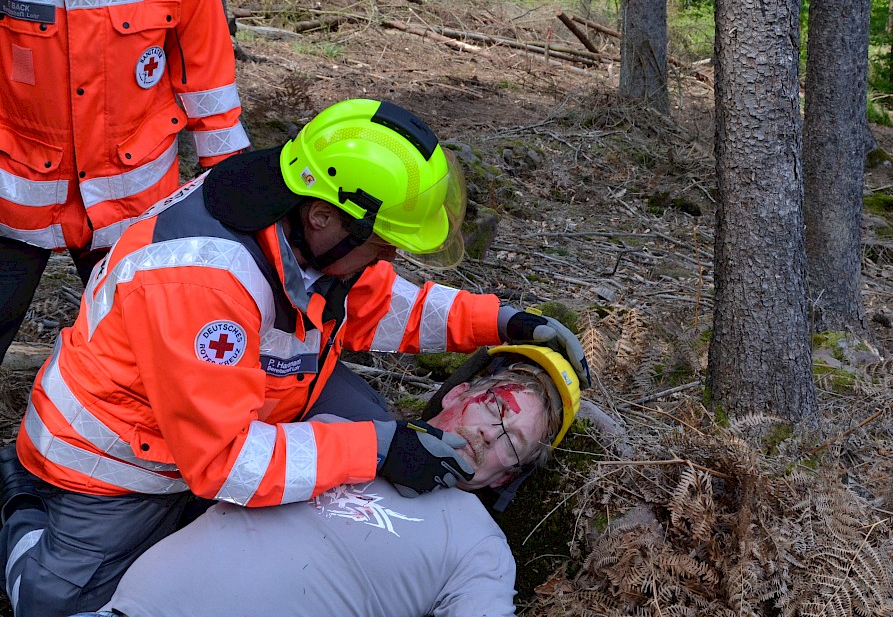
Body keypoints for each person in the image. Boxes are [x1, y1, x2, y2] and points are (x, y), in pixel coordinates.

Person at [0, 98, 590, 616]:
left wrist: (501, 320)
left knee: (365, 428)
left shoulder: (300, 225)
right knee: (56, 606)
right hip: (114, 458)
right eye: (382, 244)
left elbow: (378, 302)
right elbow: (227, 463)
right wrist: (377, 448)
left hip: (232, 401)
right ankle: (18, 499)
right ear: (323, 218)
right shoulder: (204, 281)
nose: (387, 258)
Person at [68, 343, 581, 617]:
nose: (491, 433)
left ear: (506, 475)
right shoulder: (337, 427)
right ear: (456, 394)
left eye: (513, 440)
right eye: (496, 408)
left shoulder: (479, 545)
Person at [0, 0, 251, 363]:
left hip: (133, 197)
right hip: (13, 192)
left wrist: (227, 171)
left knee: (145, 354)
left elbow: (202, 50)